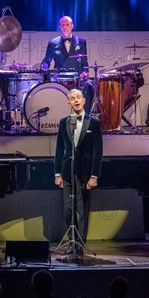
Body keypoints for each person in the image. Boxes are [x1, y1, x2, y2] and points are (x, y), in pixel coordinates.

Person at [54, 88, 102, 253]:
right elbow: (59, 149)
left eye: (78, 97)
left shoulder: (94, 123)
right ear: (69, 102)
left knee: (82, 211)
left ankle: (80, 244)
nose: (76, 100)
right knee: (69, 210)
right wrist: (57, 173)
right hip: (67, 172)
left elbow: (98, 152)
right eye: (72, 98)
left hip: (85, 173)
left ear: (84, 100)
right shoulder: (63, 122)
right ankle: (71, 242)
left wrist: (94, 175)